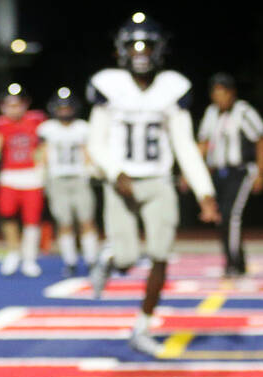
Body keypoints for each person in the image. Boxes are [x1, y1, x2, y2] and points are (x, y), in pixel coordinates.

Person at [85, 13, 221, 356]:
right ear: (121, 49)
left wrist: (205, 192)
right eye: (134, 44)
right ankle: (110, 259)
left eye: (147, 44)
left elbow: (184, 145)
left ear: (161, 49)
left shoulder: (171, 87)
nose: (141, 51)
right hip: (119, 183)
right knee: (128, 257)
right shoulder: (108, 84)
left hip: (158, 181)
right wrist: (116, 172)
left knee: (160, 256)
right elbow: (95, 142)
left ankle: (142, 326)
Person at [196, 73, 263, 278]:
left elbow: (262, 139)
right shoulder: (211, 113)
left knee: (232, 216)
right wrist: (190, 171)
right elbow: (202, 143)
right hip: (218, 174)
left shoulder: (244, 112)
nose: (220, 97)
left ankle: (233, 263)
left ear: (232, 93)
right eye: (216, 92)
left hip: (241, 171)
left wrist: (261, 172)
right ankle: (237, 261)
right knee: (222, 218)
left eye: (224, 92)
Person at [0, 86, 47, 278]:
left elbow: (44, 145)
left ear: (25, 104)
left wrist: (42, 164)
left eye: (17, 104)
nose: (13, 109)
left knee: (32, 219)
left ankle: (29, 258)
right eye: (9, 105)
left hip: (31, 175)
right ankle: (13, 251)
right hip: (10, 175)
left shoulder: (37, 120)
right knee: (7, 214)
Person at [35, 88, 100, 277]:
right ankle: (70, 261)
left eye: (67, 107)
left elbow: (87, 151)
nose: (64, 111)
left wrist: (92, 167)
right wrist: (40, 171)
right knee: (64, 223)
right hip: (57, 179)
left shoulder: (82, 127)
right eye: (61, 107)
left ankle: (91, 259)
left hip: (79, 178)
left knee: (87, 220)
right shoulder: (47, 129)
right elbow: (43, 152)